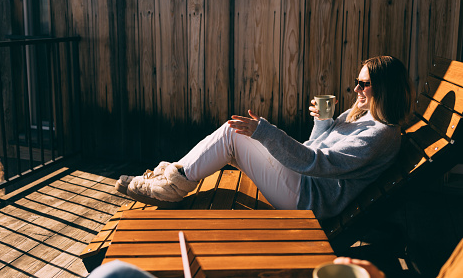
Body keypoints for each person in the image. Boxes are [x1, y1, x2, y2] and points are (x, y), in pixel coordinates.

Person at [115, 55, 413, 219]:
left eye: (364, 84)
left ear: (384, 88)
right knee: (236, 132)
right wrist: (323, 123)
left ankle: (171, 184)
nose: (357, 89)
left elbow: (318, 163)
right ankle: (172, 177)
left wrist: (266, 133)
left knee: (235, 135)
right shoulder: (359, 117)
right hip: (303, 183)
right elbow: (313, 149)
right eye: (356, 83)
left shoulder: (380, 134)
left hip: (308, 199)